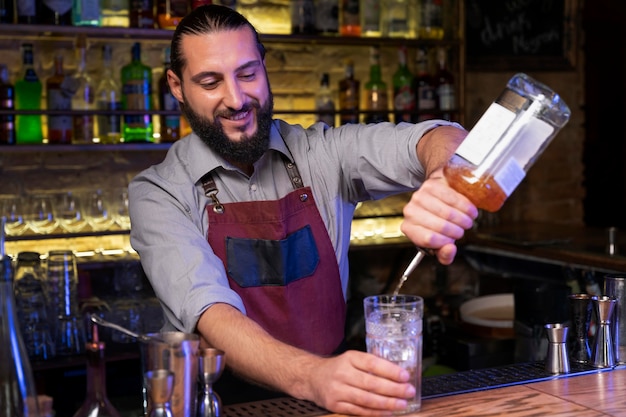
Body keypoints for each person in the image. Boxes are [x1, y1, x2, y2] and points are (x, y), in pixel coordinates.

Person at [129, 4, 477, 416]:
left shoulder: (322, 153)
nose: (236, 99)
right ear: (177, 85)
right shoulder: (157, 193)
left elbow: (441, 135)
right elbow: (214, 315)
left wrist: (444, 175)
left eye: (247, 73)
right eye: (210, 82)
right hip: (221, 404)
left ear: (264, 66)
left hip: (333, 396)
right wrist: (313, 377)